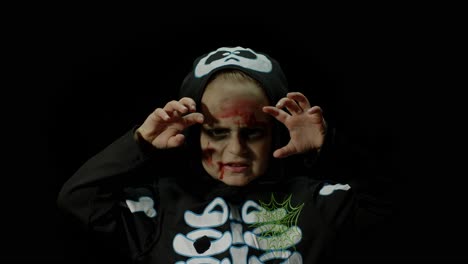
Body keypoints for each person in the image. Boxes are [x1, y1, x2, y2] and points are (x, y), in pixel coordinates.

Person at [57, 46, 391, 263]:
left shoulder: (316, 201)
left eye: (253, 132)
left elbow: (393, 201)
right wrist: (140, 144)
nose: (235, 149)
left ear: (276, 130)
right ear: (193, 132)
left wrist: (328, 147)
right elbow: (79, 199)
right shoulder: (161, 209)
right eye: (217, 132)